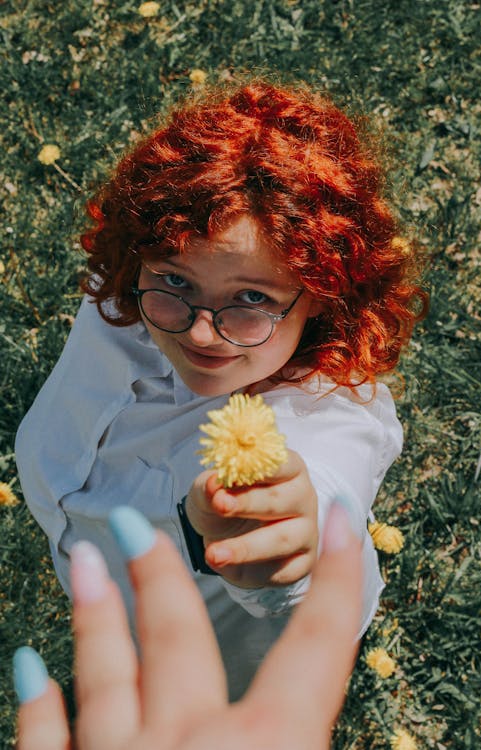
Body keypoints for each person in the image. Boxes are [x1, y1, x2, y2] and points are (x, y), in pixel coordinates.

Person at [15, 79, 426, 699]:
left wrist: (289, 547)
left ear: (320, 292)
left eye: (252, 298)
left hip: (210, 671)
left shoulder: (329, 416)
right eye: (175, 279)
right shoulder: (131, 296)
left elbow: (324, 494)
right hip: (102, 590)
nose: (203, 331)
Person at [14, 503, 362, 750]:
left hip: (222, 653)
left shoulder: (322, 422)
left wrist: (284, 533)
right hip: (139, 644)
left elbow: (322, 472)